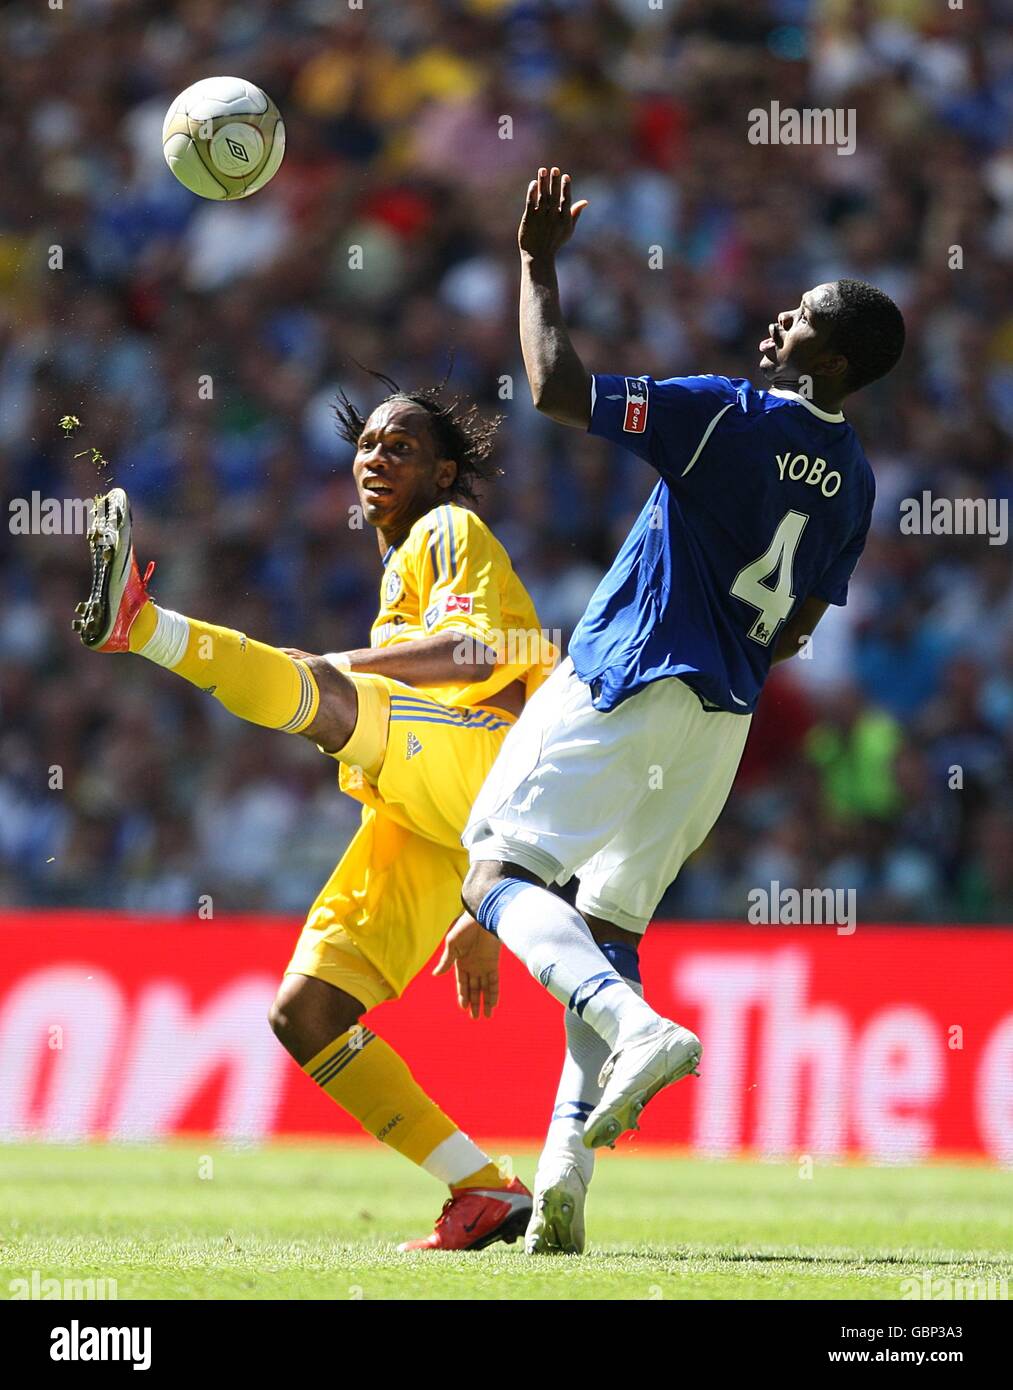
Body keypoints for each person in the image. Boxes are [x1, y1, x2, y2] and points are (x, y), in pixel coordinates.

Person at [441, 166, 905, 1255]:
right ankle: (564, 1180)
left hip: (632, 674)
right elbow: (796, 630)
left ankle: (634, 1026)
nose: (780, 317)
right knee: (605, 927)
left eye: (803, 315)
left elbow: (557, 387)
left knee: (492, 874)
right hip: (720, 722)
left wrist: (534, 260)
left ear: (829, 358)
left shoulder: (722, 418)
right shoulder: (853, 479)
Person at [74, 379, 557, 1251]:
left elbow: (476, 653)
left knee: (327, 691)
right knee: (307, 1013)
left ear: (446, 471)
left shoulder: (449, 530)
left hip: (491, 758)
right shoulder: (402, 561)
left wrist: (330, 664)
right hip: (444, 821)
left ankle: (139, 628)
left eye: (400, 447)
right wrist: (485, 897)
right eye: (368, 444)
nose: (375, 457)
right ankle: (481, 1188)